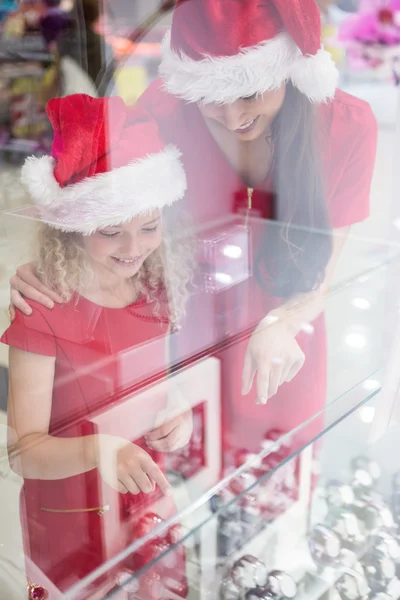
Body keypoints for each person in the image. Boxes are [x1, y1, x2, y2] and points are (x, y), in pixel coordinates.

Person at [9, 0, 378, 459]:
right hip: (182, 338)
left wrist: (283, 322)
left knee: (273, 483)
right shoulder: (166, 109)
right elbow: (105, 198)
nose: (230, 116)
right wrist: (53, 262)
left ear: (287, 68)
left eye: (249, 92)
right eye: (210, 97)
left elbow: (321, 275)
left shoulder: (346, 126)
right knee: (181, 488)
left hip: (281, 342)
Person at [2, 94, 192, 598]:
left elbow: (156, 388)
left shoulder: (156, 290)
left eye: (149, 227)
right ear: (72, 231)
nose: (134, 248)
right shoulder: (41, 309)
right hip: (71, 519)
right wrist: (101, 449)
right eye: (111, 233)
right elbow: (25, 452)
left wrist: (175, 411)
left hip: (145, 501)